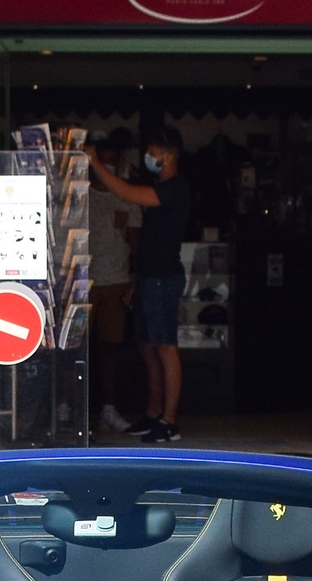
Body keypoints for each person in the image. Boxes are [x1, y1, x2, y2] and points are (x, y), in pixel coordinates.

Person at [86, 128, 192, 444]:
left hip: (162, 278)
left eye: (153, 152)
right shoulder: (164, 186)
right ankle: (153, 413)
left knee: (165, 348)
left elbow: (125, 193)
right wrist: (138, 280)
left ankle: (169, 421)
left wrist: (94, 163)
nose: (149, 158)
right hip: (149, 277)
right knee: (148, 348)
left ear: (167, 155)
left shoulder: (174, 188)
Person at [87, 132, 141, 434]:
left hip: (117, 281)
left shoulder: (128, 196)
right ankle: (75, 412)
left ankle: (109, 408)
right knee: (78, 352)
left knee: (111, 349)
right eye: (100, 164)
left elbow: (136, 243)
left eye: (110, 163)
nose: (105, 170)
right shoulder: (81, 195)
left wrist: (135, 279)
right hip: (83, 282)